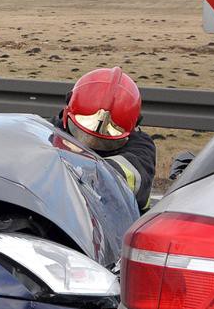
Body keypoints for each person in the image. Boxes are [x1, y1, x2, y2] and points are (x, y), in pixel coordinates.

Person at [53, 67, 156, 212]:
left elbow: (130, 177)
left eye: (104, 141)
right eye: (81, 133)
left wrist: (80, 170)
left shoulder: (142, 148)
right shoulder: (51, 130)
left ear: (132, 129)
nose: (90, 144)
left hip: (115, 222)